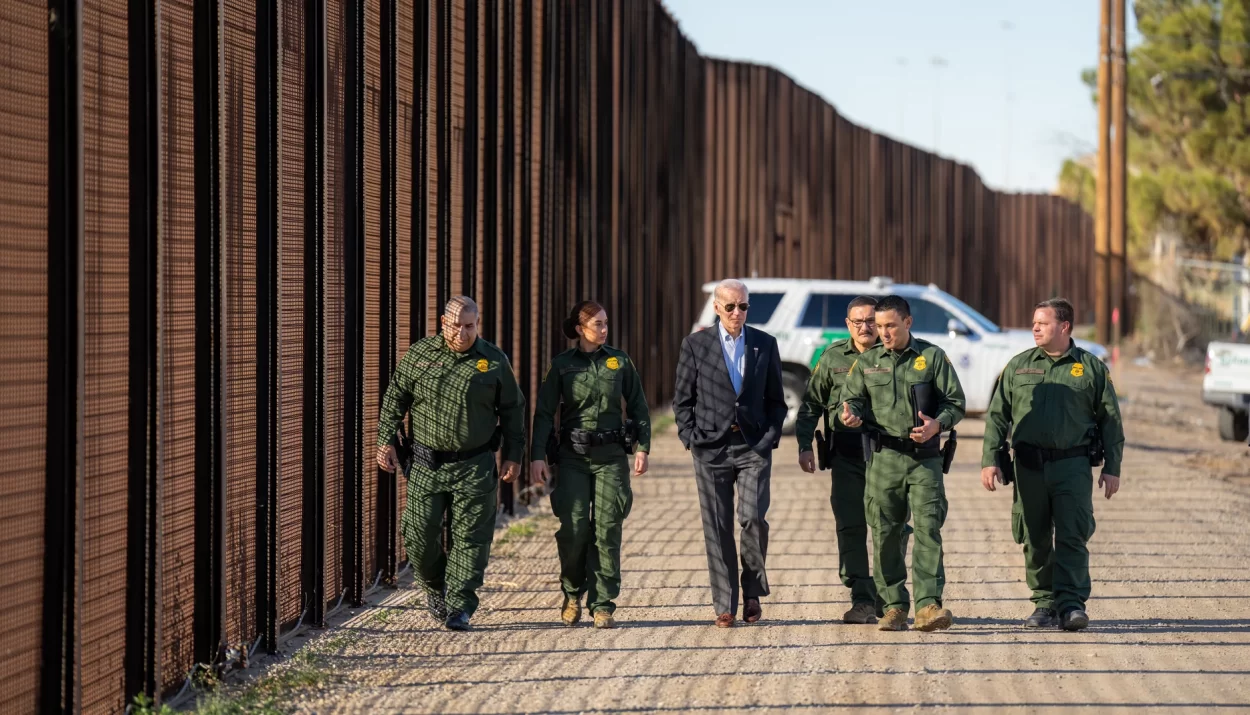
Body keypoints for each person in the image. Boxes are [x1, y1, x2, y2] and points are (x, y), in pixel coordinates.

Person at [375, 296, 526, 632]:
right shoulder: (420, 355)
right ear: (443, 323)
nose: (463, 333)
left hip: (475, 464)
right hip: (426, 465)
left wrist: (514, 455)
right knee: (418, 533)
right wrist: (385, 439)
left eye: (469, 326)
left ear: (477, 324)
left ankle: (460, 605)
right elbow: (395, 396)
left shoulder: (493, 360)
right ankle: (435, 587)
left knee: (471, 537)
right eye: (456, 325)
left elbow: (513, 410)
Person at [980, 298, 1124, 631]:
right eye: (1034, 323)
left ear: (1064, 327)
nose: (1035, 328)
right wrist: (990, 459)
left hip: (1072, 466)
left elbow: (1111, 420)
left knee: (1072, 536)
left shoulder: (1091, 368)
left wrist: (1112, 467)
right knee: (1035, 537)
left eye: (1042, 323)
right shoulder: (1018, 366)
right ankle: (1044, 603)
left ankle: (1071, 605)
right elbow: (997, 416)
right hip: (1028, 467)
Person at [840, 294, 966, 632]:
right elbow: (851, 400)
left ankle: (928, 606)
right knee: (885, 533)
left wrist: (938, 424)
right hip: (884, 459)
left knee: (928, 529)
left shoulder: (932, 357)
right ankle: (894, 607)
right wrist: (850, 415)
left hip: (924, 459)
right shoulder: (868, 362)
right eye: (879, 326)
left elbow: (955, 402)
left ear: (908, 322)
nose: (883, 333)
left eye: (890, 326)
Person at [529, 301, 652, 630]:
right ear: (580, 329)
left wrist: (642, 447)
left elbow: (638, 406)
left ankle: (602, 603)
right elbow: (544, 413)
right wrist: (537, 455)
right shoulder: (562, 365)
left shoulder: (619, 361)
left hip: (611, 457)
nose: (604, 329)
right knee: (574, 529)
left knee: (607, 529)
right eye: (597, 324)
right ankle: (572, 593)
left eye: (606, 322)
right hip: (573, 458)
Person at [674, 278, 787, 628]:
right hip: (711, 447)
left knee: (753, 518)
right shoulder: (695, 345)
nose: (737, 312)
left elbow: (777, 400)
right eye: (730, 306)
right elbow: (683, 399)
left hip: (753, 446)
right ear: (716, 307)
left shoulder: (764, 343)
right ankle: (725, 604)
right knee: (718, 526)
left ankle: (752, 591)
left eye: (743, 306)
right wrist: (690, 438)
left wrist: (769, 437)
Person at [796, 295, 910, 625]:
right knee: (851, 527)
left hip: (889, 456)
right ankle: (861, 599)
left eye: (871, 321)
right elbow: (811, 405)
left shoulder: (895, 355)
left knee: (892, 527)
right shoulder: (832, 358)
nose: (865, 327)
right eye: (857, 322)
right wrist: (804, 446)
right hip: (847, 456)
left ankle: (889, 599)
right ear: (847, 325)